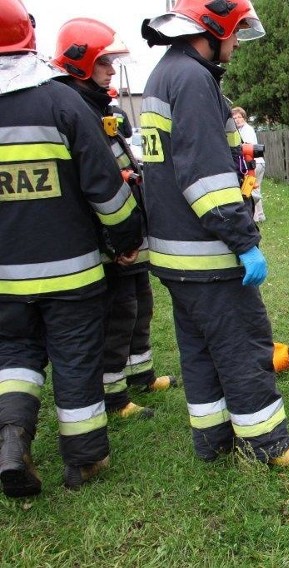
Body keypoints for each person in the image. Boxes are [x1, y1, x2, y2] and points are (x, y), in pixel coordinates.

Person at [139, 0, 289, 467]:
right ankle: (268, 446)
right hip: (207, 253)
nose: (238, 42)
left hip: (173, 254)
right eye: (235, 32)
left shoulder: (164, 74)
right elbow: (206, 177)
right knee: (243, 346)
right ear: (212, 28)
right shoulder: (194, 80)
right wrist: (244, 241)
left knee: (199, 351)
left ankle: (214, 439)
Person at [0, 0, 143, 496]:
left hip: (5, 280)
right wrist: (127, 240)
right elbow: (106, 189)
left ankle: (13, 440)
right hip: (73, 275)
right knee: (76, 358)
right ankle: (83, 460)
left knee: (16, 357)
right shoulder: (62, 105)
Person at [52, 18, 177, 420]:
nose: (110, 68)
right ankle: (114, 395)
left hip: (127, 236)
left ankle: (141, 374)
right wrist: (116, 240)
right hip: (108, 241)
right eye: (104, 61)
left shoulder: (98, 107)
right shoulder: (75, 109)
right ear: (80, 63)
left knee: (139, 305)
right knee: (117, 314)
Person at [231, 106, 266, 223]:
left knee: (250, 190)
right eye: (234, 118)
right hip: (255, 163)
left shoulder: (246, 130)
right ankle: (259, 216)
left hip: (254, 163)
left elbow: (247, 147)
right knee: (255, 189)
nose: (237, 120)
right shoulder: (240, 130)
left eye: (239, 117)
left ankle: (254, 217)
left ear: (244, 118)